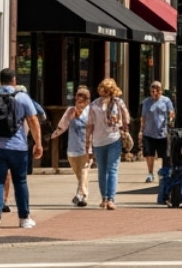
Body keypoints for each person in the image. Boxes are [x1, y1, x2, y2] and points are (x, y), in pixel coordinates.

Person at [0, 67, 43, 230]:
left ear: (0, 80)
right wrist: (38, 143)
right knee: (20, 181)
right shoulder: (22, 97)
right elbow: (33, 121)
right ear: (14, 80)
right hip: (18, 147)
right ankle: (24, 218)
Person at [86, 78, 130, 210]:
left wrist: (121, 122)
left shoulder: (117, 102)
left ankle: (110, 198)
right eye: (101, 88)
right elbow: (89, 125)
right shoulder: (94, 105)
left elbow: (126, 117)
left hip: (114, 139)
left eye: (105, 89)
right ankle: (104, 198)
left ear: (111, 91)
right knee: (102, 170)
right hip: (98, 142)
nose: (102, 91)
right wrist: (87, 144)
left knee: (112, 169)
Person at [50, 88, 92, 207]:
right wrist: (52, 136)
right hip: (72, 150)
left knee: (84, 171)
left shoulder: (91, 112)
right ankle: (82, 196)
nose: (79, 98)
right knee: (80, 175)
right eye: (78, 96)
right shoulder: (70, 111)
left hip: (87, 148)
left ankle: (81, 195)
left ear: (88, 99)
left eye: (82, 96)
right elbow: (62, 125)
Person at [139, 81, 174, 183]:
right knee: (149, 154)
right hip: (149, 132)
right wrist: (141, 130)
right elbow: (143, 117)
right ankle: (150, 173)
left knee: (164, 155)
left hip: (162, 132)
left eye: (157, 91)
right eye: (152, 91)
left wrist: (170, 119)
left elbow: (171, 113)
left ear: (161, 91)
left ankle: (164, 173)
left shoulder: (166, 101)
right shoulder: (146, 102)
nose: (154, 93)